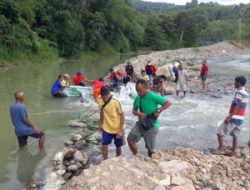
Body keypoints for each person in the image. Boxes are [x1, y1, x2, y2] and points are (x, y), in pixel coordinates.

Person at [127, 79, 171, 157]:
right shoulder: (138, 98)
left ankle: (150, 163)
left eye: (140, 91)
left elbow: (168, 103)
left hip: (151, 126)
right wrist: (138, 113)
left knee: (151, 150)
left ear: (146, 88)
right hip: (140, 124)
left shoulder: (153, 96)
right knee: (130, 140)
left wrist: (159, 110)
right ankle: (137, 156)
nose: (138, 93)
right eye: (137, 91)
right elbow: (133, 110)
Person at [216, 76, 248, 157]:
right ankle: (233, 152)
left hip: (234, 117)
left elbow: (237, 105)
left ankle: (221, 149)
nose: (234, 83)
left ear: (239, 83)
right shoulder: (246, 93)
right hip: (241, 118)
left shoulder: (239, 93)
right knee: (235, 135)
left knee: (220, 132)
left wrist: (229, 117)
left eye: (235, 82)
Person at [97, 86, 124, 160]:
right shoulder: (99, 100)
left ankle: (118, 160)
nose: (105, 98)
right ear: (101, 96)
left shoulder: (115, 102)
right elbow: (102, 111)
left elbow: (122, 115)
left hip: (117, 128)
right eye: (103, 97)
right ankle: (105, 161)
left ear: (109, 94)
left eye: (107, 96)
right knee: (104, 144)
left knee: (118, 146)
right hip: (106, 127)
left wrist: (120, 130)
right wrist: (101, 123)